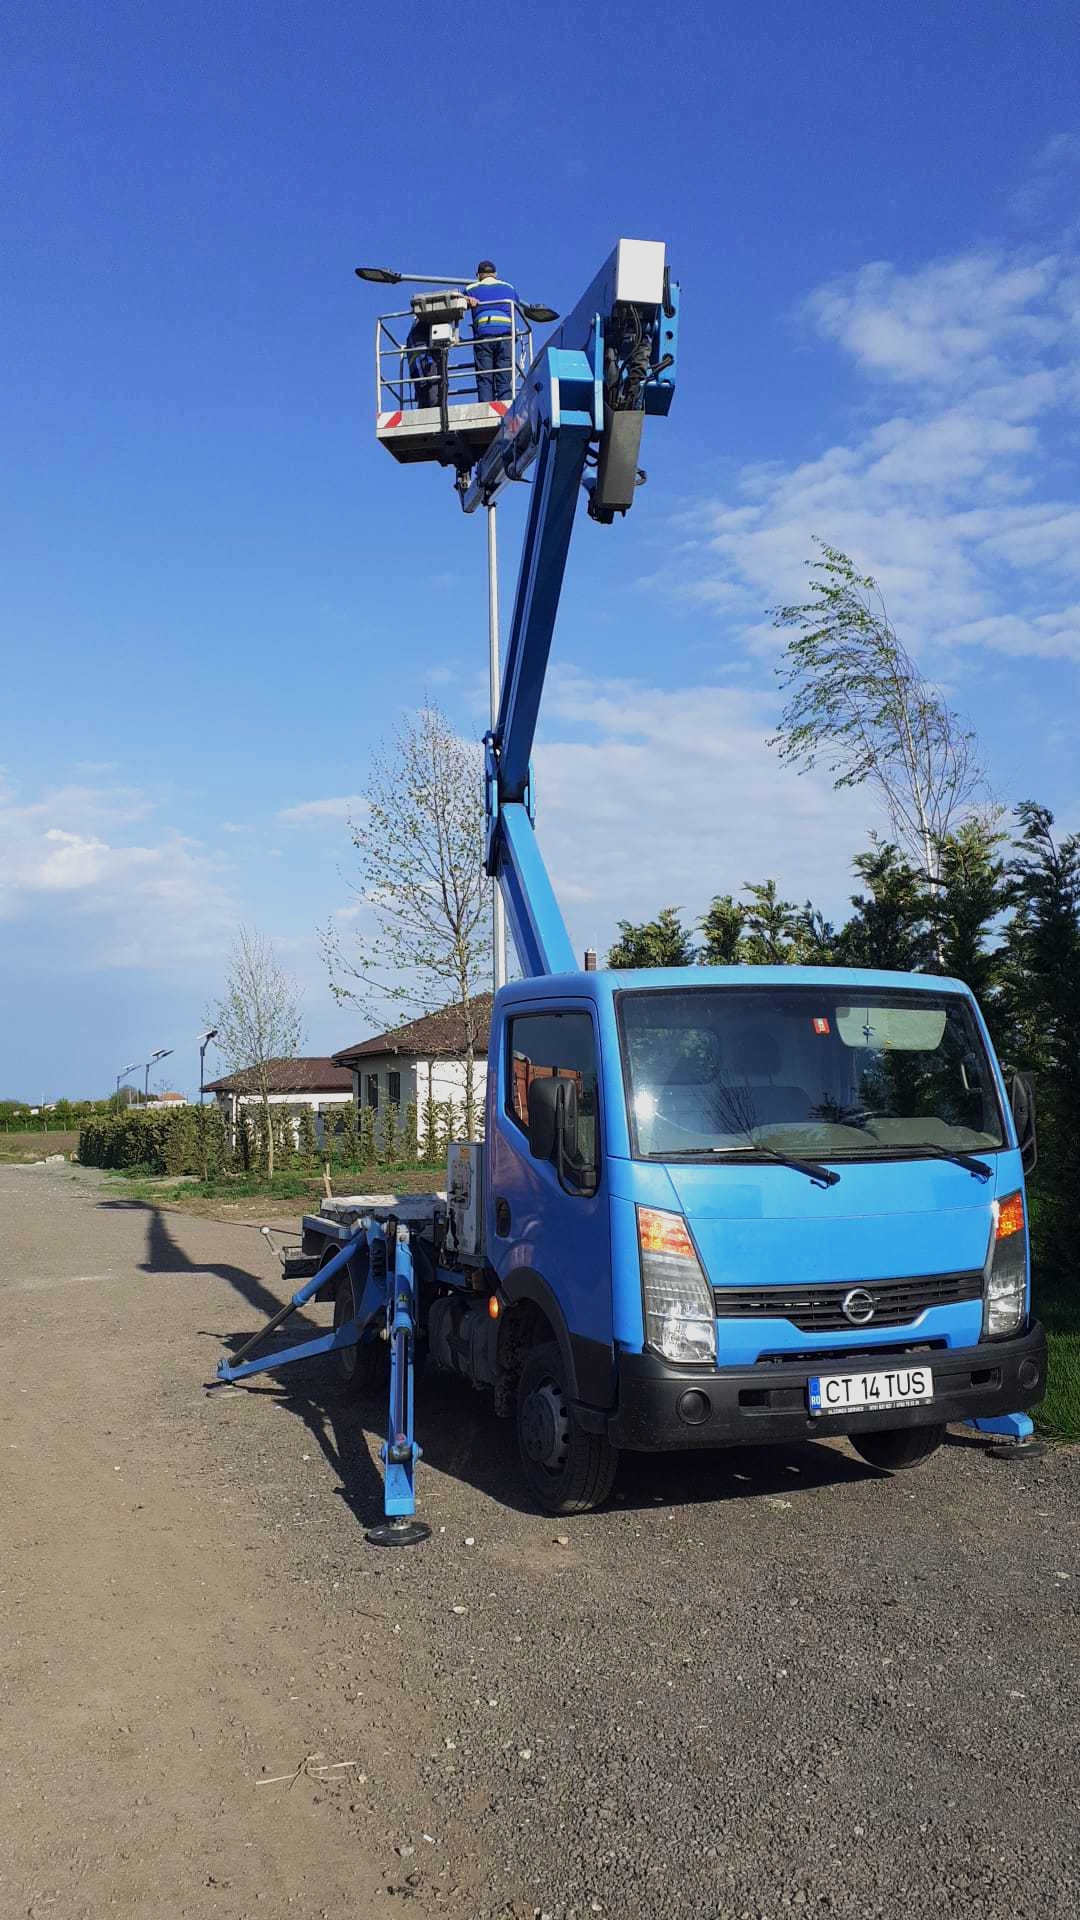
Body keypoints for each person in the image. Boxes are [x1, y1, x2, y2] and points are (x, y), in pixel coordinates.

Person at [466, 260, 519, 403]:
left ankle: (486, 406)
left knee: (485, 377)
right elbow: (516, 305)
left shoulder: (471, 288)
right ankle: (505, 406)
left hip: (484, 336)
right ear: (495, 274)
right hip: (506, 337)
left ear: (478, 275)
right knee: (504, 377)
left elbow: (456, 300)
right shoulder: (509, 287)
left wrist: (467, 299)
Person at [406, 314, 439, 410]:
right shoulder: (423, 324)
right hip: (426, 365)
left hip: (419, 369)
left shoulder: (415, 328)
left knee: (424, 400)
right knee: (434, 399)